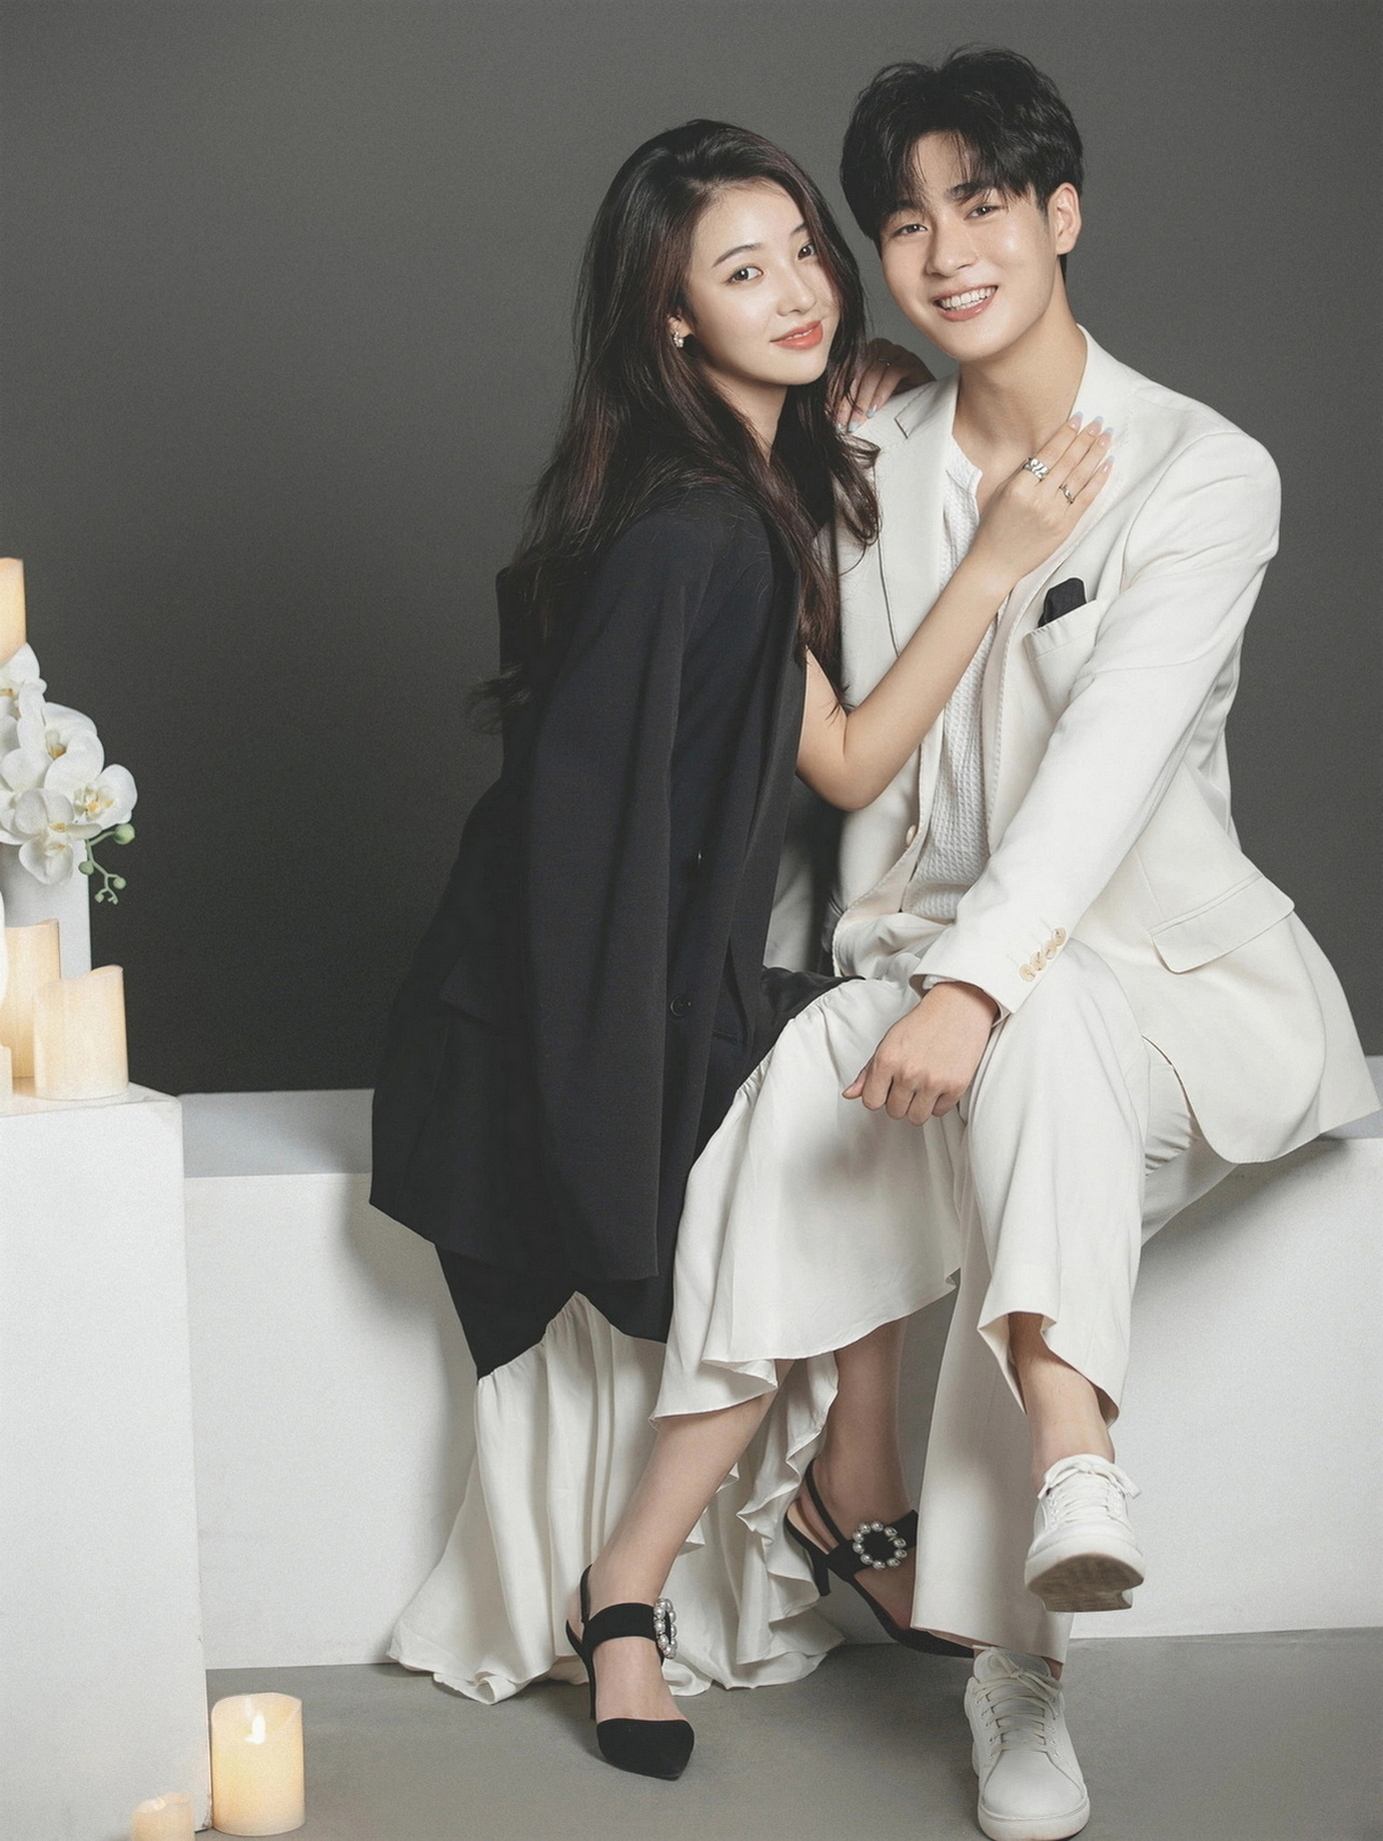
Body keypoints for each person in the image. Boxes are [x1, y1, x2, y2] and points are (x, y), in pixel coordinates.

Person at [574, 48, 1375, 1839]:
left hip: (1158, 996)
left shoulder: (1202, 472)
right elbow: (821, 749)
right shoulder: (859, 449)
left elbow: (1104, 773)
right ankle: (655, 1570)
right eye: (906, 223)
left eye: (986, 204)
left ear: (1062, 214)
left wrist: (968, 985)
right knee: (810, 1105)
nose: (946, 254)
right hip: (909, 970)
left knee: (1044, 1018)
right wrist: (874, 984)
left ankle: (1023, 1658)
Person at [369, 116, 1107, 1778]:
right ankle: (662, 1581)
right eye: (743, 271)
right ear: (672, 318)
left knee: (874, 1065)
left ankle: (843, 1488)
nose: (799, 293)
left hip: (658, 964)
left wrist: (930, 494)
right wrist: (997, 559)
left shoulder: (741, 491)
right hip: (574, 1001)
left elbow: (834, 756)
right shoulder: (693, 527)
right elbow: (589, 851)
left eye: (806, 255)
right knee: (831, 1116)